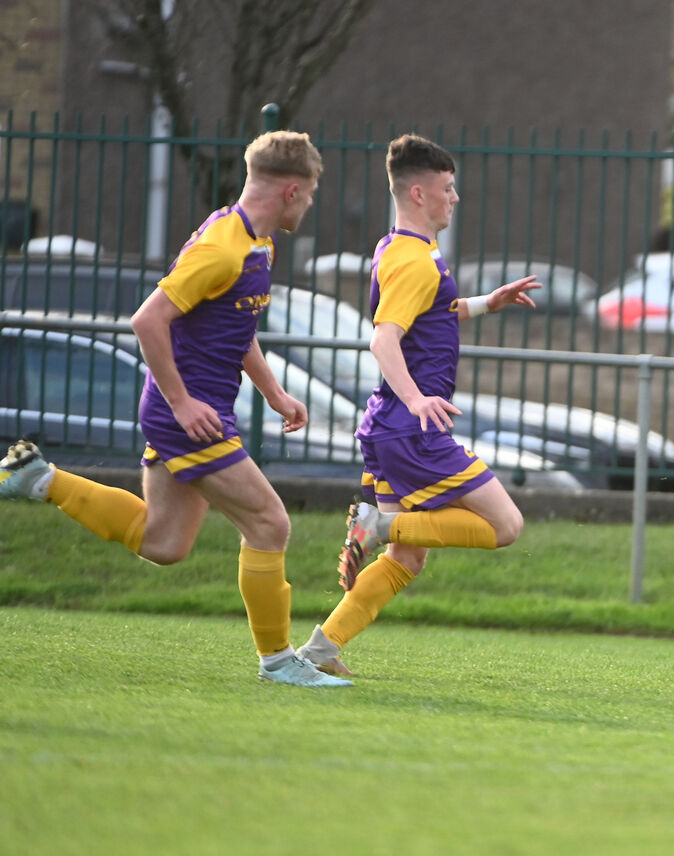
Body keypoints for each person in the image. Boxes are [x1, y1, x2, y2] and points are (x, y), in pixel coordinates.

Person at [0, 130, 350, 688]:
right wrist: (183, 402)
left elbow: (236, 328)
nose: (309, 203)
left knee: (165, 543)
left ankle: (39, 479)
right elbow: (148, 319)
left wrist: (273, 392)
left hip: (199, 410)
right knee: (269, 522)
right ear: (290, 190)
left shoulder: (256, 242)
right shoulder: (222, 246)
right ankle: (280, 661)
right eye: (308, 193)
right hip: (189, 415)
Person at [295, 133, 540, 675]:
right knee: (506, 526)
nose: (455, 198)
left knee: (407, 559)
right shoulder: (416, 262)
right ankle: (377, 525)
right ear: (418, 192)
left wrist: (484, 303)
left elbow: (429, 315)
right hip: (411, 427)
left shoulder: (398, 248)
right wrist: (418, 398)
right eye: (447, 189)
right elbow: (383, 339)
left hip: (388, 425)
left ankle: (320, 650)